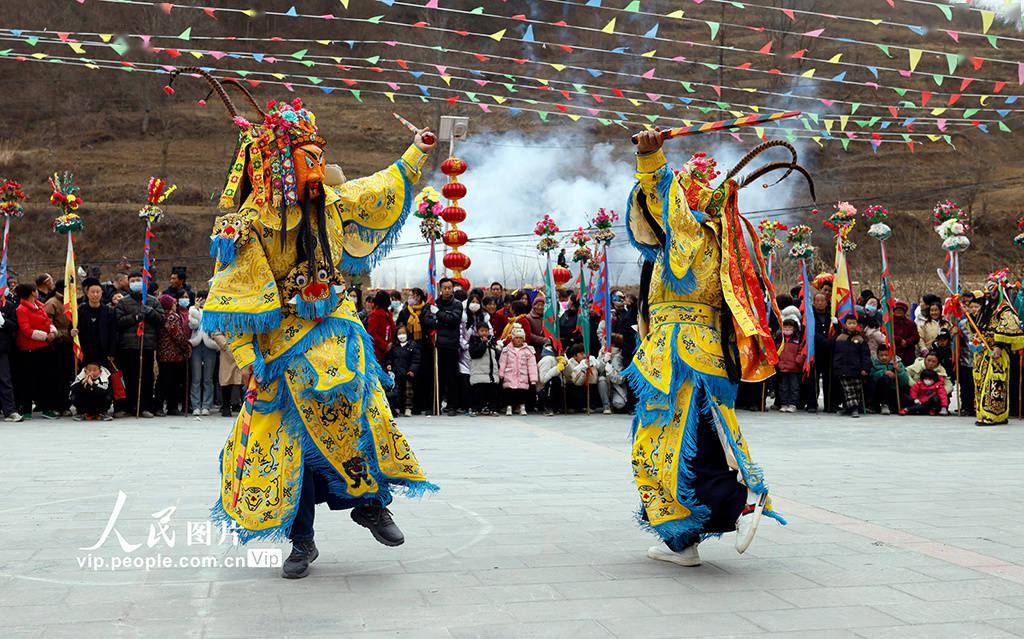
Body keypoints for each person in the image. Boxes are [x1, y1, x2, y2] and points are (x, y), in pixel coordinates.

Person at [183, 70, 436, 579]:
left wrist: (416, 152)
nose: (317, 167)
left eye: (318, 156)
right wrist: (251, 360)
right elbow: (234, 301)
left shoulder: (334, 202)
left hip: (336, 327)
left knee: (360, 407)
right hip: (280, 344)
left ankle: (369, 500)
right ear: (276, 166)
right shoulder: (250, 225)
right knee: (285, 445)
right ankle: (301, 540)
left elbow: (377, 188)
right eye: (306, 158)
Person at [627, 132, 791, 566]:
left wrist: (650, 158)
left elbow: (663, 201)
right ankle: (684, 539)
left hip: (680, 354)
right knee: (692, 440)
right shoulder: (712, 243)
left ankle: (740, 500)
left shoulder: (696, 236)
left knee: (665, 443)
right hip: (687, 353)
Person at [969, 277, 1024, 426]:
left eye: (991, 292)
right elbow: (976, 327)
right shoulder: (986, 309)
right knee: (981, 383)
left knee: (994, 384)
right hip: (981, 353)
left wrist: (999, 346)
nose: (988, 296)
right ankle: (982, 412)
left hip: (996, 353)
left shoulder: (1004, 309)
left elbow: (1011, 328)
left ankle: (993, 415)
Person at [114, 272, 164, 418]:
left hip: (146, 345)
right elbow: (118, 322)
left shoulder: (153, 301)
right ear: (128, 283)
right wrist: (135, 317)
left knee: (147, 377)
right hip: (129, 345)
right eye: (133, 280)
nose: (136, 282)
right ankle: (129, 406)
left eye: (138, 280)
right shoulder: (123, 302)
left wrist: (150, 313)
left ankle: (145, 407)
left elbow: (161, 320)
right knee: (130, 377)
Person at [14, 283, 58, 419]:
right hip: (29, 350)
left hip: (44, 349)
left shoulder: (40, 305)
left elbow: (48, 321)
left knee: (46, 379)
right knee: (28, 380)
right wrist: (46, 337)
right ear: (33, 292)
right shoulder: (21, 309)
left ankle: (47, 407)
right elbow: (26, 330)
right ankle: (26, 409)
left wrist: (52, 331)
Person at [422, 278, 463, 416]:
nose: (447, 290)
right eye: (444, 288)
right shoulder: (433, 302)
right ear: (440, 289)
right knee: (436, 376)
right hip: (436, 345)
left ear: (452, 289)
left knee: (451, 377)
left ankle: (452, 406)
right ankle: (435, 405)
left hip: (451, 345)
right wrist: (441, 321)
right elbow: (426, 320)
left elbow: (454, 320)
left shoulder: (457, 304)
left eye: (449, 288)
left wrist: (439, 314)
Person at [155, 293, 191, 416]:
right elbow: (178, 335)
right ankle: (172, 407)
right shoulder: (172, 317)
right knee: (172, 382)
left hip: (162, 354)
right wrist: (186, 346)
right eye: (174, 303)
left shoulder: (160, 316)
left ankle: (159, 406)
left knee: (163, 380)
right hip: (173, 354)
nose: (176, 305)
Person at [43, 280, 74, 416]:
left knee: (67, 377)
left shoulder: (70, 302)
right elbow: (46, 324)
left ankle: (65, 405)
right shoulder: (52, 303)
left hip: (68, 344)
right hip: (57, 345)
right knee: (56, 377)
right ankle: (55, 405)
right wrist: (64, 334)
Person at [831, 313, 870, 417]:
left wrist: (865, 368)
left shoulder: (860, 338)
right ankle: (853, 409)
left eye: (854, 323)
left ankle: (851, 407)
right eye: (849, 323)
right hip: (842, 369)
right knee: (849, 390)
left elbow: (865, 355)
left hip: (856, 369)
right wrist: (836, 367)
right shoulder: (840, 337)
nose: (852, 325)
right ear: (845, 324)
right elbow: (835, 353)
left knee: (857, 388)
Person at [188, 293, 218, 416]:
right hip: (196, 345)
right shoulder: (192, 310)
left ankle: (206, 405)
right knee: (196, 377)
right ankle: (195, 405)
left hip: (210, 345)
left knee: (208, 378)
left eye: (204, 298)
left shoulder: (214, 310)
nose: (202, 301)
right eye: (199, 298)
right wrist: (195, 310)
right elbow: (193, 325)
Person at [77, 277, 117, 368]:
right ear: (87, 294)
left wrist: (112, 352)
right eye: (92, 292)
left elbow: (113, 333)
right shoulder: (80, 311)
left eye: (98, 292)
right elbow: (73, 328)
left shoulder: (109, 311)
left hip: (103, 351)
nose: (95, 294)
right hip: (85, 351)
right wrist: (72, 332)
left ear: (102, 293)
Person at [498, 325, 538, 416]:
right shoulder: (506, 350)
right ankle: (509, 407)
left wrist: (533, 379)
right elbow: (502, 363)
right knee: (509, 392)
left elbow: (532, 366)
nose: (518, 340)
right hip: (509, 375)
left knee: (522, 392)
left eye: (521, 338)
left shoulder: (528, 351)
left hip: (522, 375)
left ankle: (522, 406)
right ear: (512, 338)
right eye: (516, 338)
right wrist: (501, 374)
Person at [386, 325, 420, 417]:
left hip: (407, 372)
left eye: (403, 333)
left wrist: (412, 370)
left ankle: (408, 408)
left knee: (408, 392)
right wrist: (389, 364)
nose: (401, 335)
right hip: (396, 372)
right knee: (396, 391)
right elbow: (390, 357)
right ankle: (396, 408)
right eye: (399, 333)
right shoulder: (394, 346)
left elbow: (416, 360)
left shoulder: (412, 345)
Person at [468, 322, 500, 416]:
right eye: (482, 331)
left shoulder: (492, 341)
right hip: (479, 372)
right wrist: (483, 343)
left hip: (491, 372)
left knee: (492, 392)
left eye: (486, 331)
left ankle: (492, 408)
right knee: (478, 392)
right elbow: (475, 354)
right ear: (477, 332)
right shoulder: (474, 340)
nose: (484, 333)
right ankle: (476, 408)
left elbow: (496, 356)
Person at [869, 345, 909, 415]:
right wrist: (883, 372)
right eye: (881, 355)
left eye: (886, 355)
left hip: (894, 391)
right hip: (879, 392)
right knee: (884, 378)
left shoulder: (898, 363)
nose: (884, 357)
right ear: (877, 355)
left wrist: (898, 372)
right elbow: (872, 377)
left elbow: (905, 381)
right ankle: (884, 404)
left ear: (891, 354)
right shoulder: (874, 363)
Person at [210, 331, 242, 417]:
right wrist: (225, 345)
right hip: (228, 352)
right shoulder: (222, 317)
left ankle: (246, 407)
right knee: (226, 380)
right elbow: (216, 332)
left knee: (245, 380)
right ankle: (226, 407)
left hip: (244, 349)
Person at [776, 318, 805, 413]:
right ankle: (784, 404)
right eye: (785, 327)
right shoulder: (780, 339)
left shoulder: (797, 339)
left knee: (794, 387)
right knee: (783, 387)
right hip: (782, 367)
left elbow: (801, 351)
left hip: (794, 368)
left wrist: (798, 361)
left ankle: (793, 404)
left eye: (790, 327)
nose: (787, 329)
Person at [0, 290, 20, 421]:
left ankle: (10, 410)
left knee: (5, 380)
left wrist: (3, 322)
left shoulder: (9, 305)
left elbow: (15, 326)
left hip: (2, 349)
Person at [536, 342, 567, 416]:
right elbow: (543, 380)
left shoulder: (561, 357)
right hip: (543, 390)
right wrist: (557, 368)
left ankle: (558, 406)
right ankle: (547, 407)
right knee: (554, 380)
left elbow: (569, 375)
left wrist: (566, 364)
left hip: (559, 388)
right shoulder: (547, 359)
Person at [366, 290, 396, 365]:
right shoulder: (375, 315)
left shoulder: (388, 313)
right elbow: (372, 334)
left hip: (389, 348)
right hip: (378, 350)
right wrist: (385, 345)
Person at [892, 300, 920, 367]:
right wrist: (899, 340)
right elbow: (886, 335)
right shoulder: (889, 323)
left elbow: (916, 337)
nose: (899, 311)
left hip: (908, 354)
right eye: (897, 310)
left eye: (901, 310)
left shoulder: (911, 324)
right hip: (894, 353)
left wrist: (907, 342)